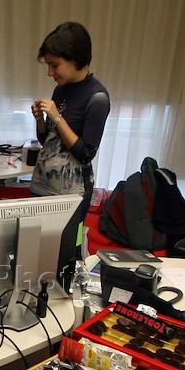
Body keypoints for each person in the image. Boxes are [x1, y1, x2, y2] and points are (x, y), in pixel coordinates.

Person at [31, 21, 111, 222]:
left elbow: (86, 153)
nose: (50, 73)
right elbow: (48, 142)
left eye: (54, 65)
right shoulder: (60, 90)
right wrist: (40, 120)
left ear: (75, 58)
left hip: (70, 194)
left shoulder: (97, 98)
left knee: (65, 243)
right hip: (42, 185)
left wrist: (57, 117)